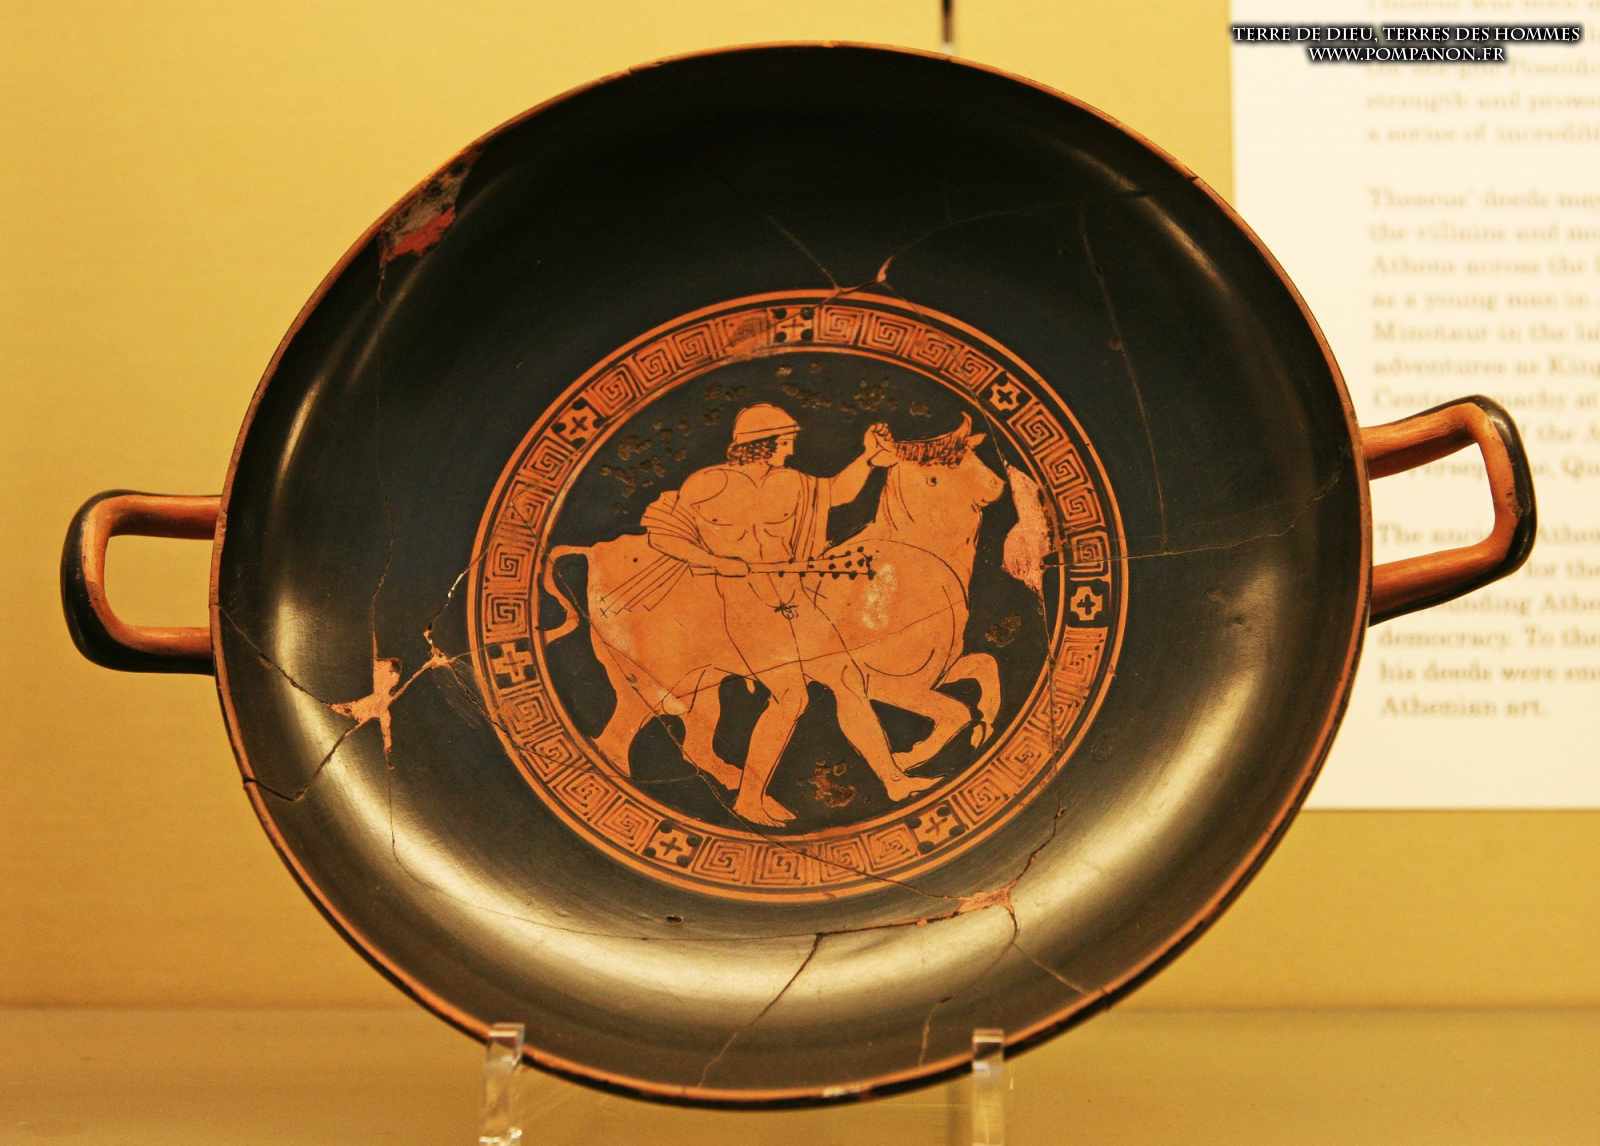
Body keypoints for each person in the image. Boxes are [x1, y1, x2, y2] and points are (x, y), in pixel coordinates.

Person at [643, 404, 938, 825]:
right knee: (791, 696)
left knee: (848, 680)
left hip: (794, 595)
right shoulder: (707, 484)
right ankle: (749, 799)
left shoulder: (790, 482)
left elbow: (837, 493)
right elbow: (663, 535)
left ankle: (893, 780)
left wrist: (868, 458)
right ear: (764, 444)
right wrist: (713, 561)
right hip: (746, 605)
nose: (792, 448)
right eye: (786, 441)